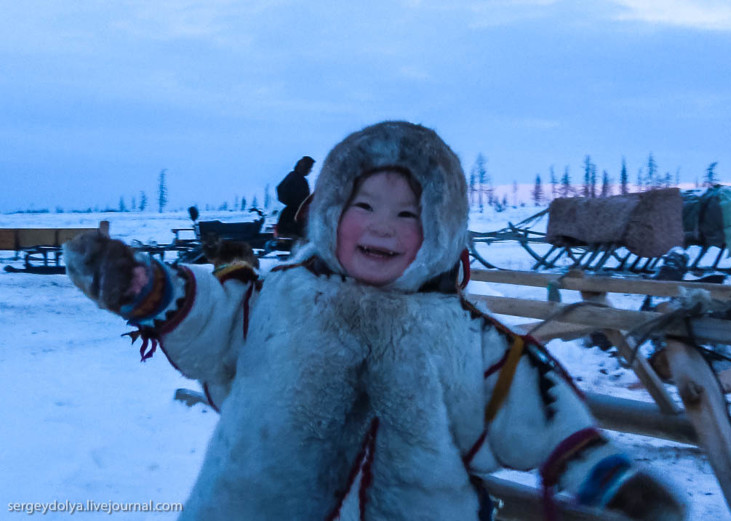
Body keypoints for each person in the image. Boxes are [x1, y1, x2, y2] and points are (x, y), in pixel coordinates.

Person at [63, 121, 684, 521]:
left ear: (440, 228)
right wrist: (145, 286)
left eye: (409, 213)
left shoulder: (462, 336)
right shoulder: (277, 297)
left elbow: (529, 405)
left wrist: (614, 482)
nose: (382, 226)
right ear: (330, 212)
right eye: (363, 205)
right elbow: (213, 315)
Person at [276, 155, 314, 237]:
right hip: (294, 218)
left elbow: (280, 189)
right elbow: (304, 199)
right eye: (310, 168)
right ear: (305, 168)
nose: (310, 171)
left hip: (287, 216)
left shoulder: (292, 176)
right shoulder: (300, 180)